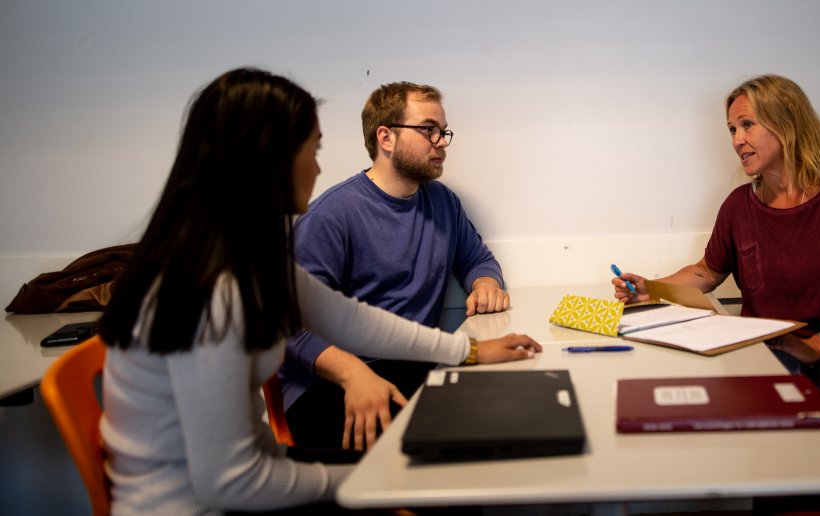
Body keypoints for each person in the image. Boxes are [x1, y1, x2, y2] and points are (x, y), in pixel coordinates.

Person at [95, 68, 541, 515]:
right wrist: (379, 478)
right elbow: (231, 485)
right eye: (313, 148)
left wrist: (468, 352)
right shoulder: (207, 293)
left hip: (250, 479)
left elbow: (351, 320)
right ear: (267, 160)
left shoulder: (251, 261)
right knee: (437, 481)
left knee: (445, 473)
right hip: (201, 506)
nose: (319, 165)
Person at [612, 74, 820, 512]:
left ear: (786, 123)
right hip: (771, 352)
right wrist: (650, 288)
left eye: (747, 125)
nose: (736, 140)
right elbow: (708, 271)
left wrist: (819, 345)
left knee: (786, 434)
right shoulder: (740, 205)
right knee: (765, 431)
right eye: (731, 130)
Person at [279, 82, 509, 451]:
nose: (441, 142)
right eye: (428, 129)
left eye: (443, 131)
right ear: (385, 137)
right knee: (449, 449)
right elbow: (295, 330)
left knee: (494, 416)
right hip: (328, 385)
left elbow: (478, 259)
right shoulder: (331, 216)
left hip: (411, 364)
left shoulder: (443, 203)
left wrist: (485, 282)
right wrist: (354, 373)